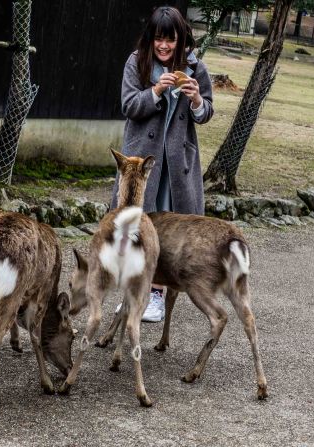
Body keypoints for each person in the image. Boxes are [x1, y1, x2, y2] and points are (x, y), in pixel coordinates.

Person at [111, 6, 214, 322]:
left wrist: (196, 100)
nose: (165, 47)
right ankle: (132, 293)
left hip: (176, 164)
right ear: (151, 38)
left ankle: (155, 294)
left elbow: (207, 112)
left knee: (166, 229)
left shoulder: (195, 68)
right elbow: (129, 105)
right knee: (135, 224)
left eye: (171, 40)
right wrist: (156, 91)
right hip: (142, 162)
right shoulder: (136, 62)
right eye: (159, 39)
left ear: (182, 39)